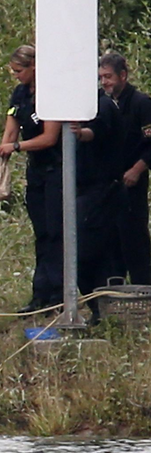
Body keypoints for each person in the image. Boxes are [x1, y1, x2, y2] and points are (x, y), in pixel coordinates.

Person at [0, 45, 63, 313]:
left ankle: (59, 292)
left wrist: (17, 147)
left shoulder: (50, 94)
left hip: (55, 168)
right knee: (41, 233)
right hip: (36, 170)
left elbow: (49, 137)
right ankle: (40, 293)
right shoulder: (20, 94)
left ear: (34, 66)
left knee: (56, 232)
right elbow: (12, 125)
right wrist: (3, 150)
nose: (16, 75)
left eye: (19, 71)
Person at [70, 92, 123, 324]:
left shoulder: (102, 105)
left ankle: (103, 308)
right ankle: (98, 308)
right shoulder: (75, 105)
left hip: (101, 190)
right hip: (79, 189)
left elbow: (97, 130)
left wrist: (80, 133)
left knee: (87, 252)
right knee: (82, 252)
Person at [99, 52, 151, 285]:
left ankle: (144, 287)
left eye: (108, 77)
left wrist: (137, 170)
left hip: (132, 180)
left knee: (134, 238)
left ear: (123, 75)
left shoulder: (141, 103)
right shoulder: (103, 104)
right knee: (111, 239)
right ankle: (114, 289)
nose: (105, 82)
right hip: (108, 182)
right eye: (101, 77)